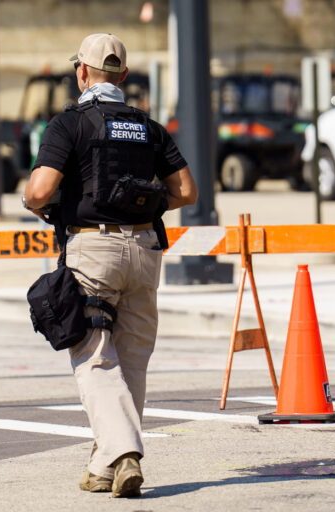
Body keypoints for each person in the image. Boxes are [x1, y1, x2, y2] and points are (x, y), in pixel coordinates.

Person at [23, 33, 197, 498]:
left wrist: (34, 200)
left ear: (81, 73)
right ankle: (104, 466)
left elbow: (39, 191)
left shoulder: (70, 124)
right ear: (122, 76)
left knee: (95, 357)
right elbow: (185, 193)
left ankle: (123, 455)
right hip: (145, 251)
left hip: (93, 253)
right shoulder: (148, 127)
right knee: (132, 361)